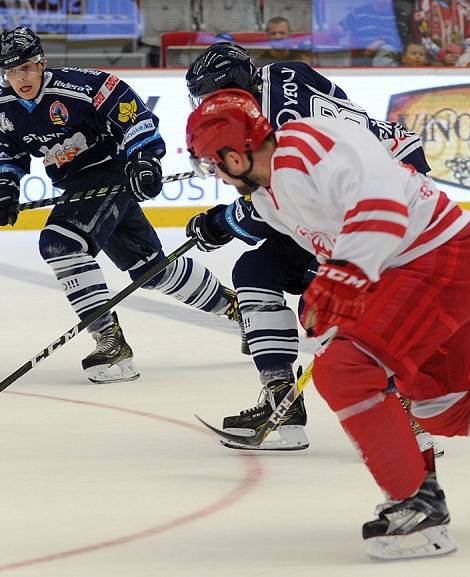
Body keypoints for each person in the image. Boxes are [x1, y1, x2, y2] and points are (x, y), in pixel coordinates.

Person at [185, 88, 470, 560]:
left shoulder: (311, 143)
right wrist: (333, 291)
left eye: (210, 163)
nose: (213, 174)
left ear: (231, 152)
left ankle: (418, 507)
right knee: (443, 407)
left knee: (345, 371)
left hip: (437, 263)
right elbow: (337, 241)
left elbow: (382, 208)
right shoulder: (268, 199)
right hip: (426, 270)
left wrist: (345, 277)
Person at [184, 42, 436, 452]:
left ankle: (403, 412)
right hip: (353, 193)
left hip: (380, 203)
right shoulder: (279, 80)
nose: (209, 109)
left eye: (214, 98)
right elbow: (284, 203)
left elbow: (284, 201)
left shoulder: (281, 127)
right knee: (255, 272)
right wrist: (229, 219)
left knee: (325, 307)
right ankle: (280, 398)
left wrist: (223, 223)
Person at [0, 27, 244, 384]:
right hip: (77, 186)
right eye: (10, 71)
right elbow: (8, 152)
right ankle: (240, 310)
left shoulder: (84, 87)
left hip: (113, 174)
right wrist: (3, 188)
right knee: (152, 271)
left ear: (41, 63)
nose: (20, 77)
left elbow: (136, 120)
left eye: (26, 67)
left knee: (61, 243)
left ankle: (110, 341)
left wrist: (144, 160)